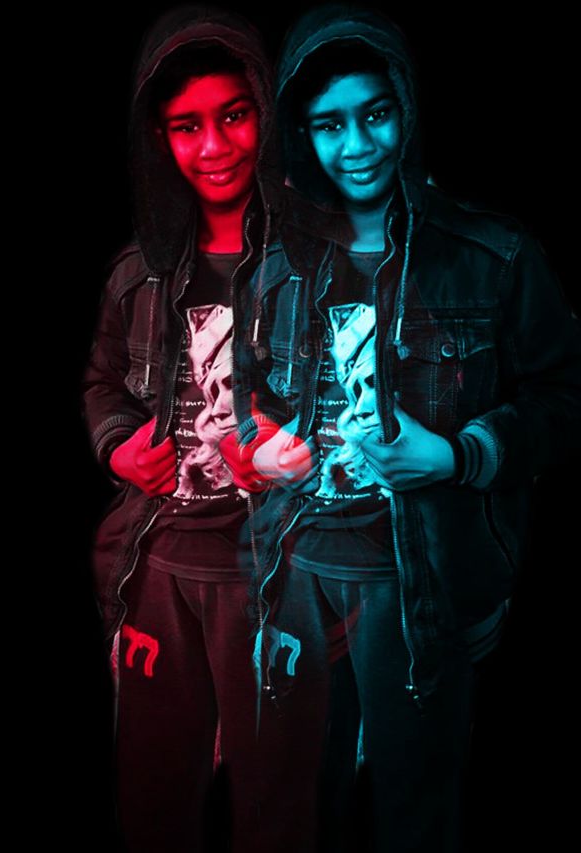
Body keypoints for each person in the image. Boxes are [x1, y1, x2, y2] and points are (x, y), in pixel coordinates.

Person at [223, 3, 581, 851]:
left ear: (407, 110)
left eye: (375, 113)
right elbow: (247, 393)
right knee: (296, 810)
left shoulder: (492, 256)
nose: (358, 145)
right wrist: (259, 446)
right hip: (293, 582)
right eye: (329, 125)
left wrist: (457, 454)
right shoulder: (275, 262)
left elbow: (561, 404)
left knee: (415, 816)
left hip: (422, 589)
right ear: (301, 135)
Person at [79, 5, 284, 851]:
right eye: (185, 126)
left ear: (266, 111)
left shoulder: (320, 262)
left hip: (280, 575)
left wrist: (293, 453)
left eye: (234, 115)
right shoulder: (139, 272)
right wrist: (119, 447)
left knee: (281, 805)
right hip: (157, 565)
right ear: (158, 139)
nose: (214, 147)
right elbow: (102, 382)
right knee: (156, 800)